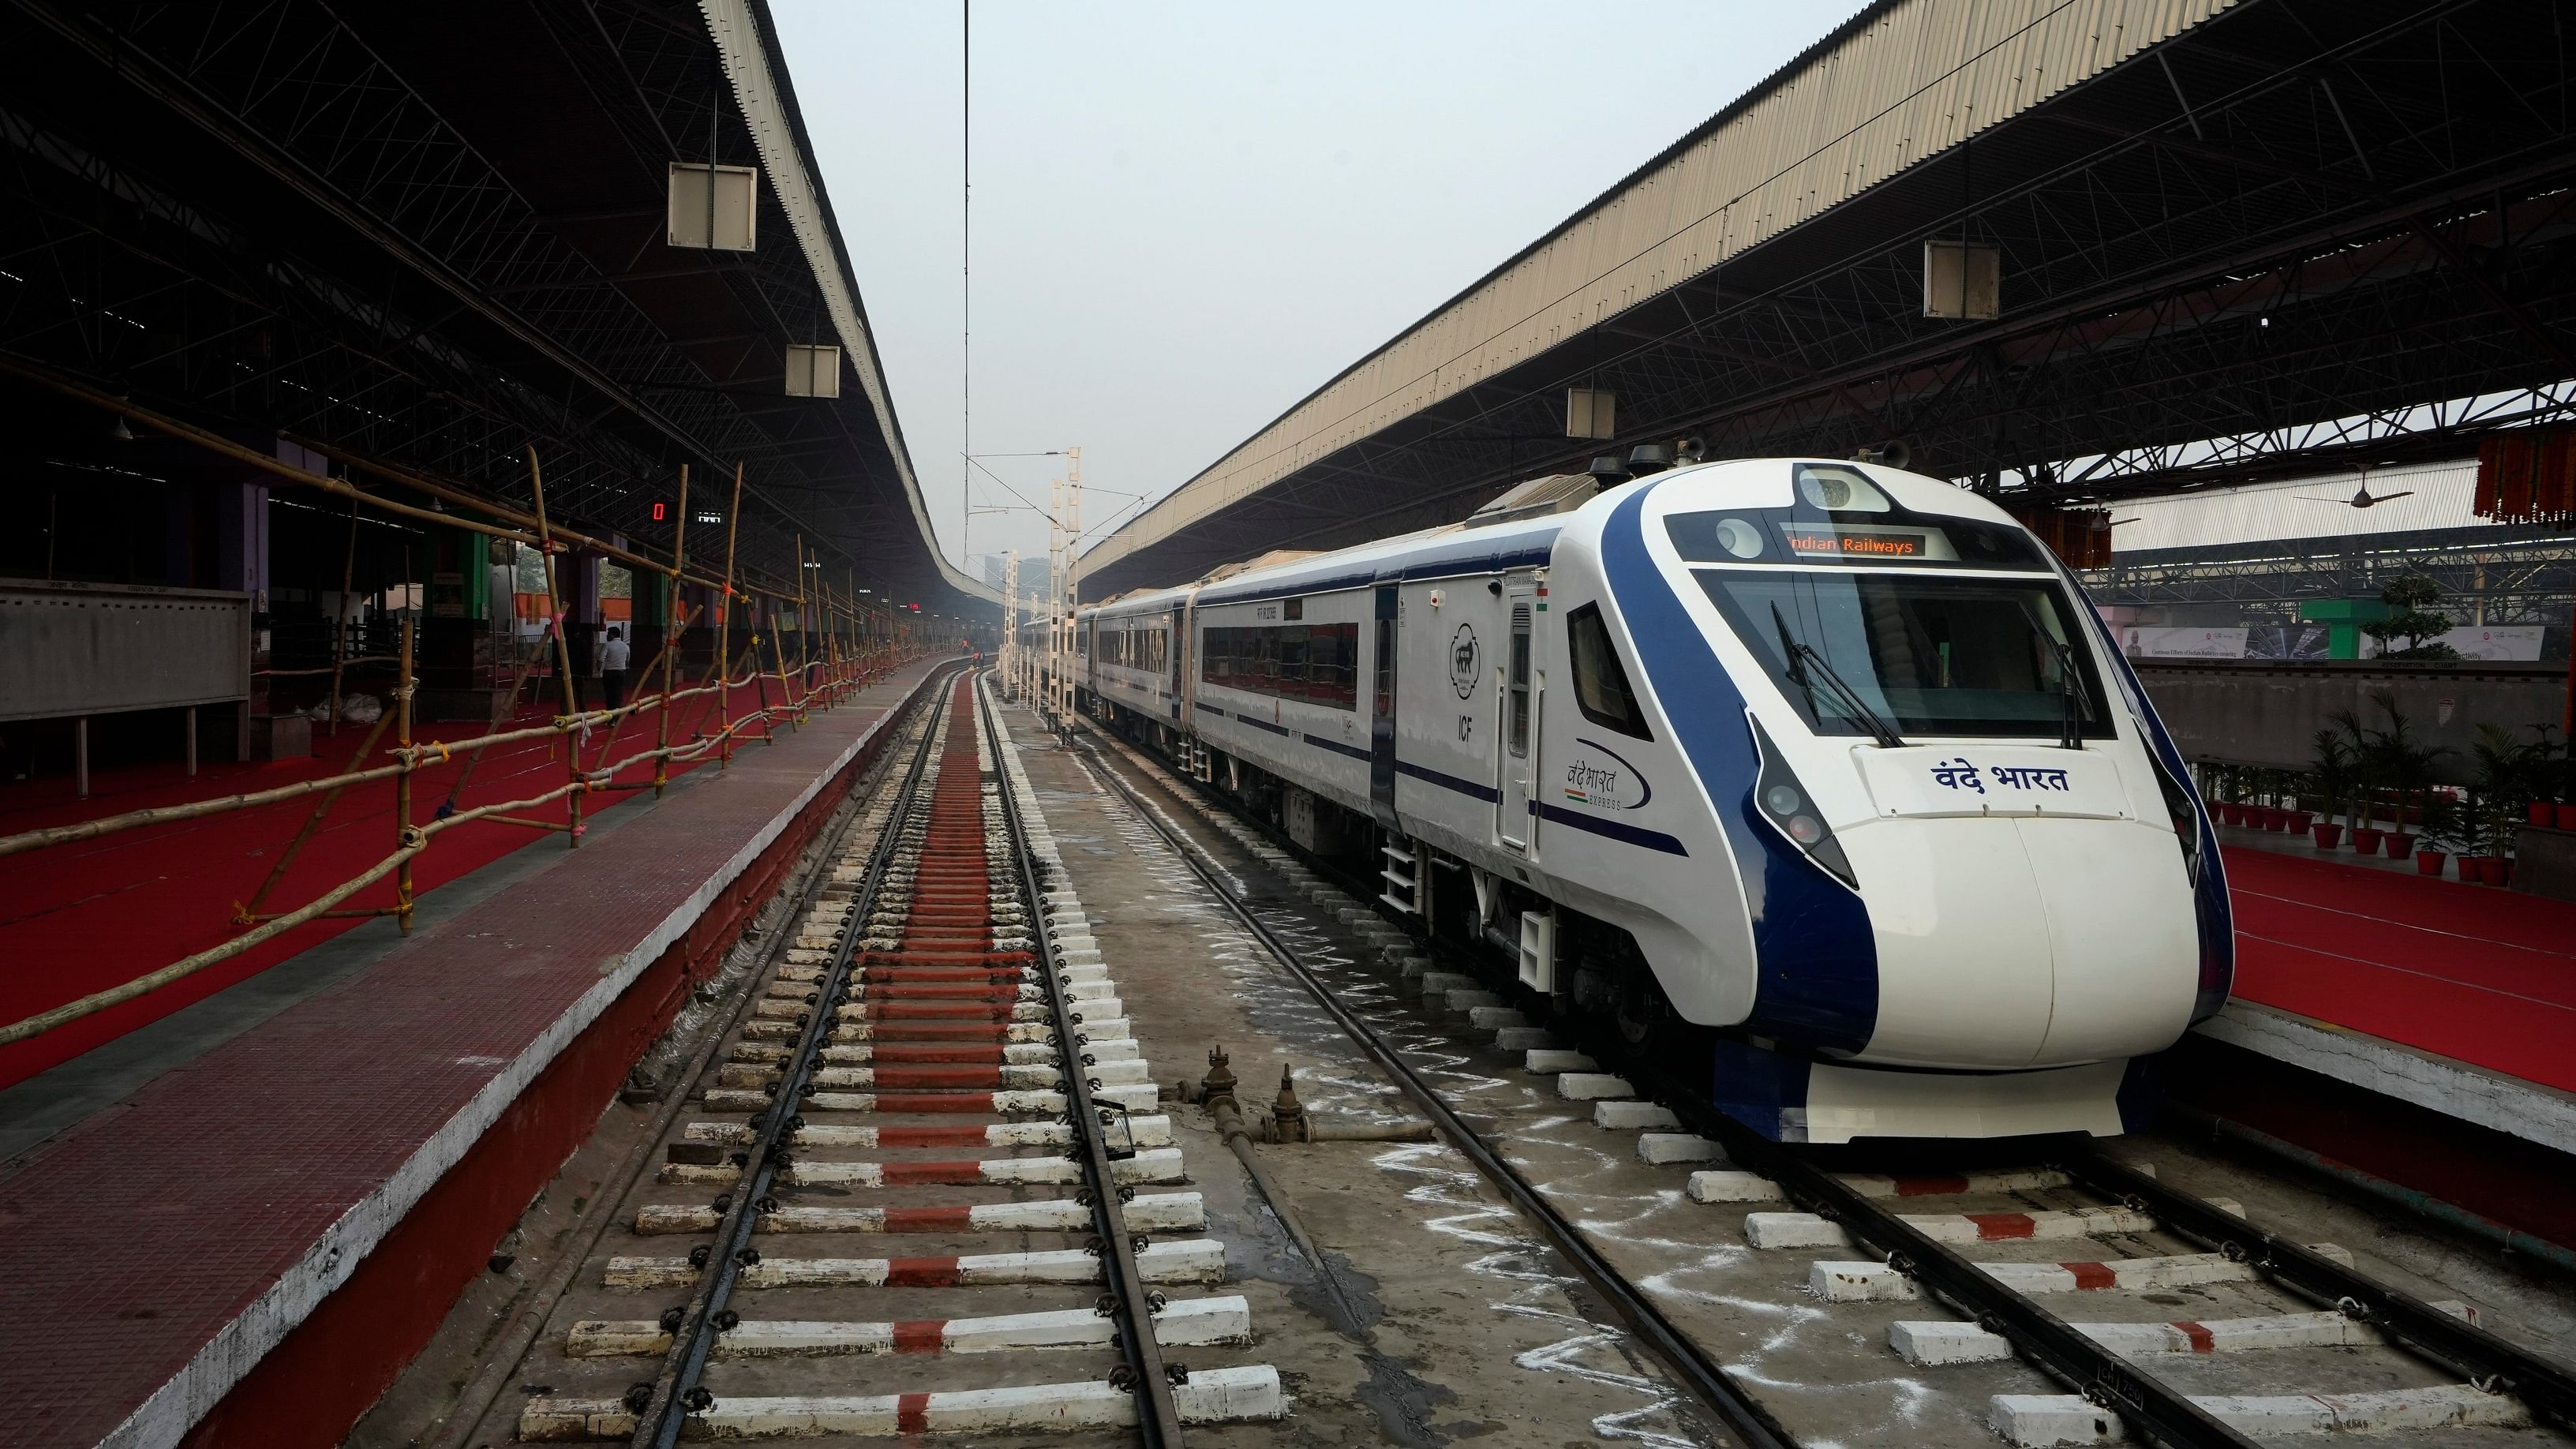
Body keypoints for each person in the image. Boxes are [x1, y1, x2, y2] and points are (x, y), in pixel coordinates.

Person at [600, 627, 631, 710]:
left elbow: (601, 659)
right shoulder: (625, 646)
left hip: (608, 672)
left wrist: (599, 668)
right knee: (618, 692)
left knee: (609, 693)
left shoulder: (607, 645)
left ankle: (610, 711)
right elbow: (628, 661)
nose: (607, 636)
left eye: (608, 634)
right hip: (620, 672)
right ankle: (617, 711)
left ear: (613, 635)